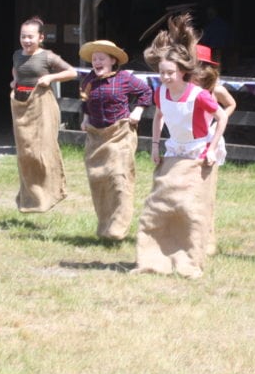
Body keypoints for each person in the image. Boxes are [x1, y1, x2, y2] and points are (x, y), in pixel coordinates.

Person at [134, 14, 229, 279]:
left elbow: (221, 116)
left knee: (190, 207)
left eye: (170, 73)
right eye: (162, 73)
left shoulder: (199, 95)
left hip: (198, 151)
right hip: (173, 150)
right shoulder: (160, 92)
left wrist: (211, 148)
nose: (164, 77)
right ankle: (153, 256)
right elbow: (159, 116)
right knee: (160, 202)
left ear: (182, 72)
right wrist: (154, 146)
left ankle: (190, 259)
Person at [78, 39, 153, 240]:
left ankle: (118, 228)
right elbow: (85, 103)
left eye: (101, 58)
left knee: (119, 177)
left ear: (112, 60)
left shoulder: (125, 78)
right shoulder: (87, 81)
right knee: (99, 179)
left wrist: (137, 111)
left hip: (120, 134)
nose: (97, 62)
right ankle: (105, 227)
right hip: (96, 136)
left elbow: (146, 92)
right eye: (94, 59)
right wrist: (85, 120)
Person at [10, 16, 77, 213]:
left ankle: (54, 192)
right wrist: (15, 81)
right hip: (22, 105)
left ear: (41, 37)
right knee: (26, 153)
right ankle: (31, 198)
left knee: (43, 150)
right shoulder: (17, 54)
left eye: (30, 37)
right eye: (23, 37)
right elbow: (16, 69)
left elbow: (72, 72)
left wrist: (51, 77)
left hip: (42, 105)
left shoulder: (47, 56)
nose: (26, 40)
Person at [192, 44, 236, 255]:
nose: (196, 71)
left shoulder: (215, 88)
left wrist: (219, 117)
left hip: (209, 139)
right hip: (188, 140)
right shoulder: (181, 85)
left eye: (200, 66)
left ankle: (207, 238)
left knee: (207, 191)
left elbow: (231, 104)